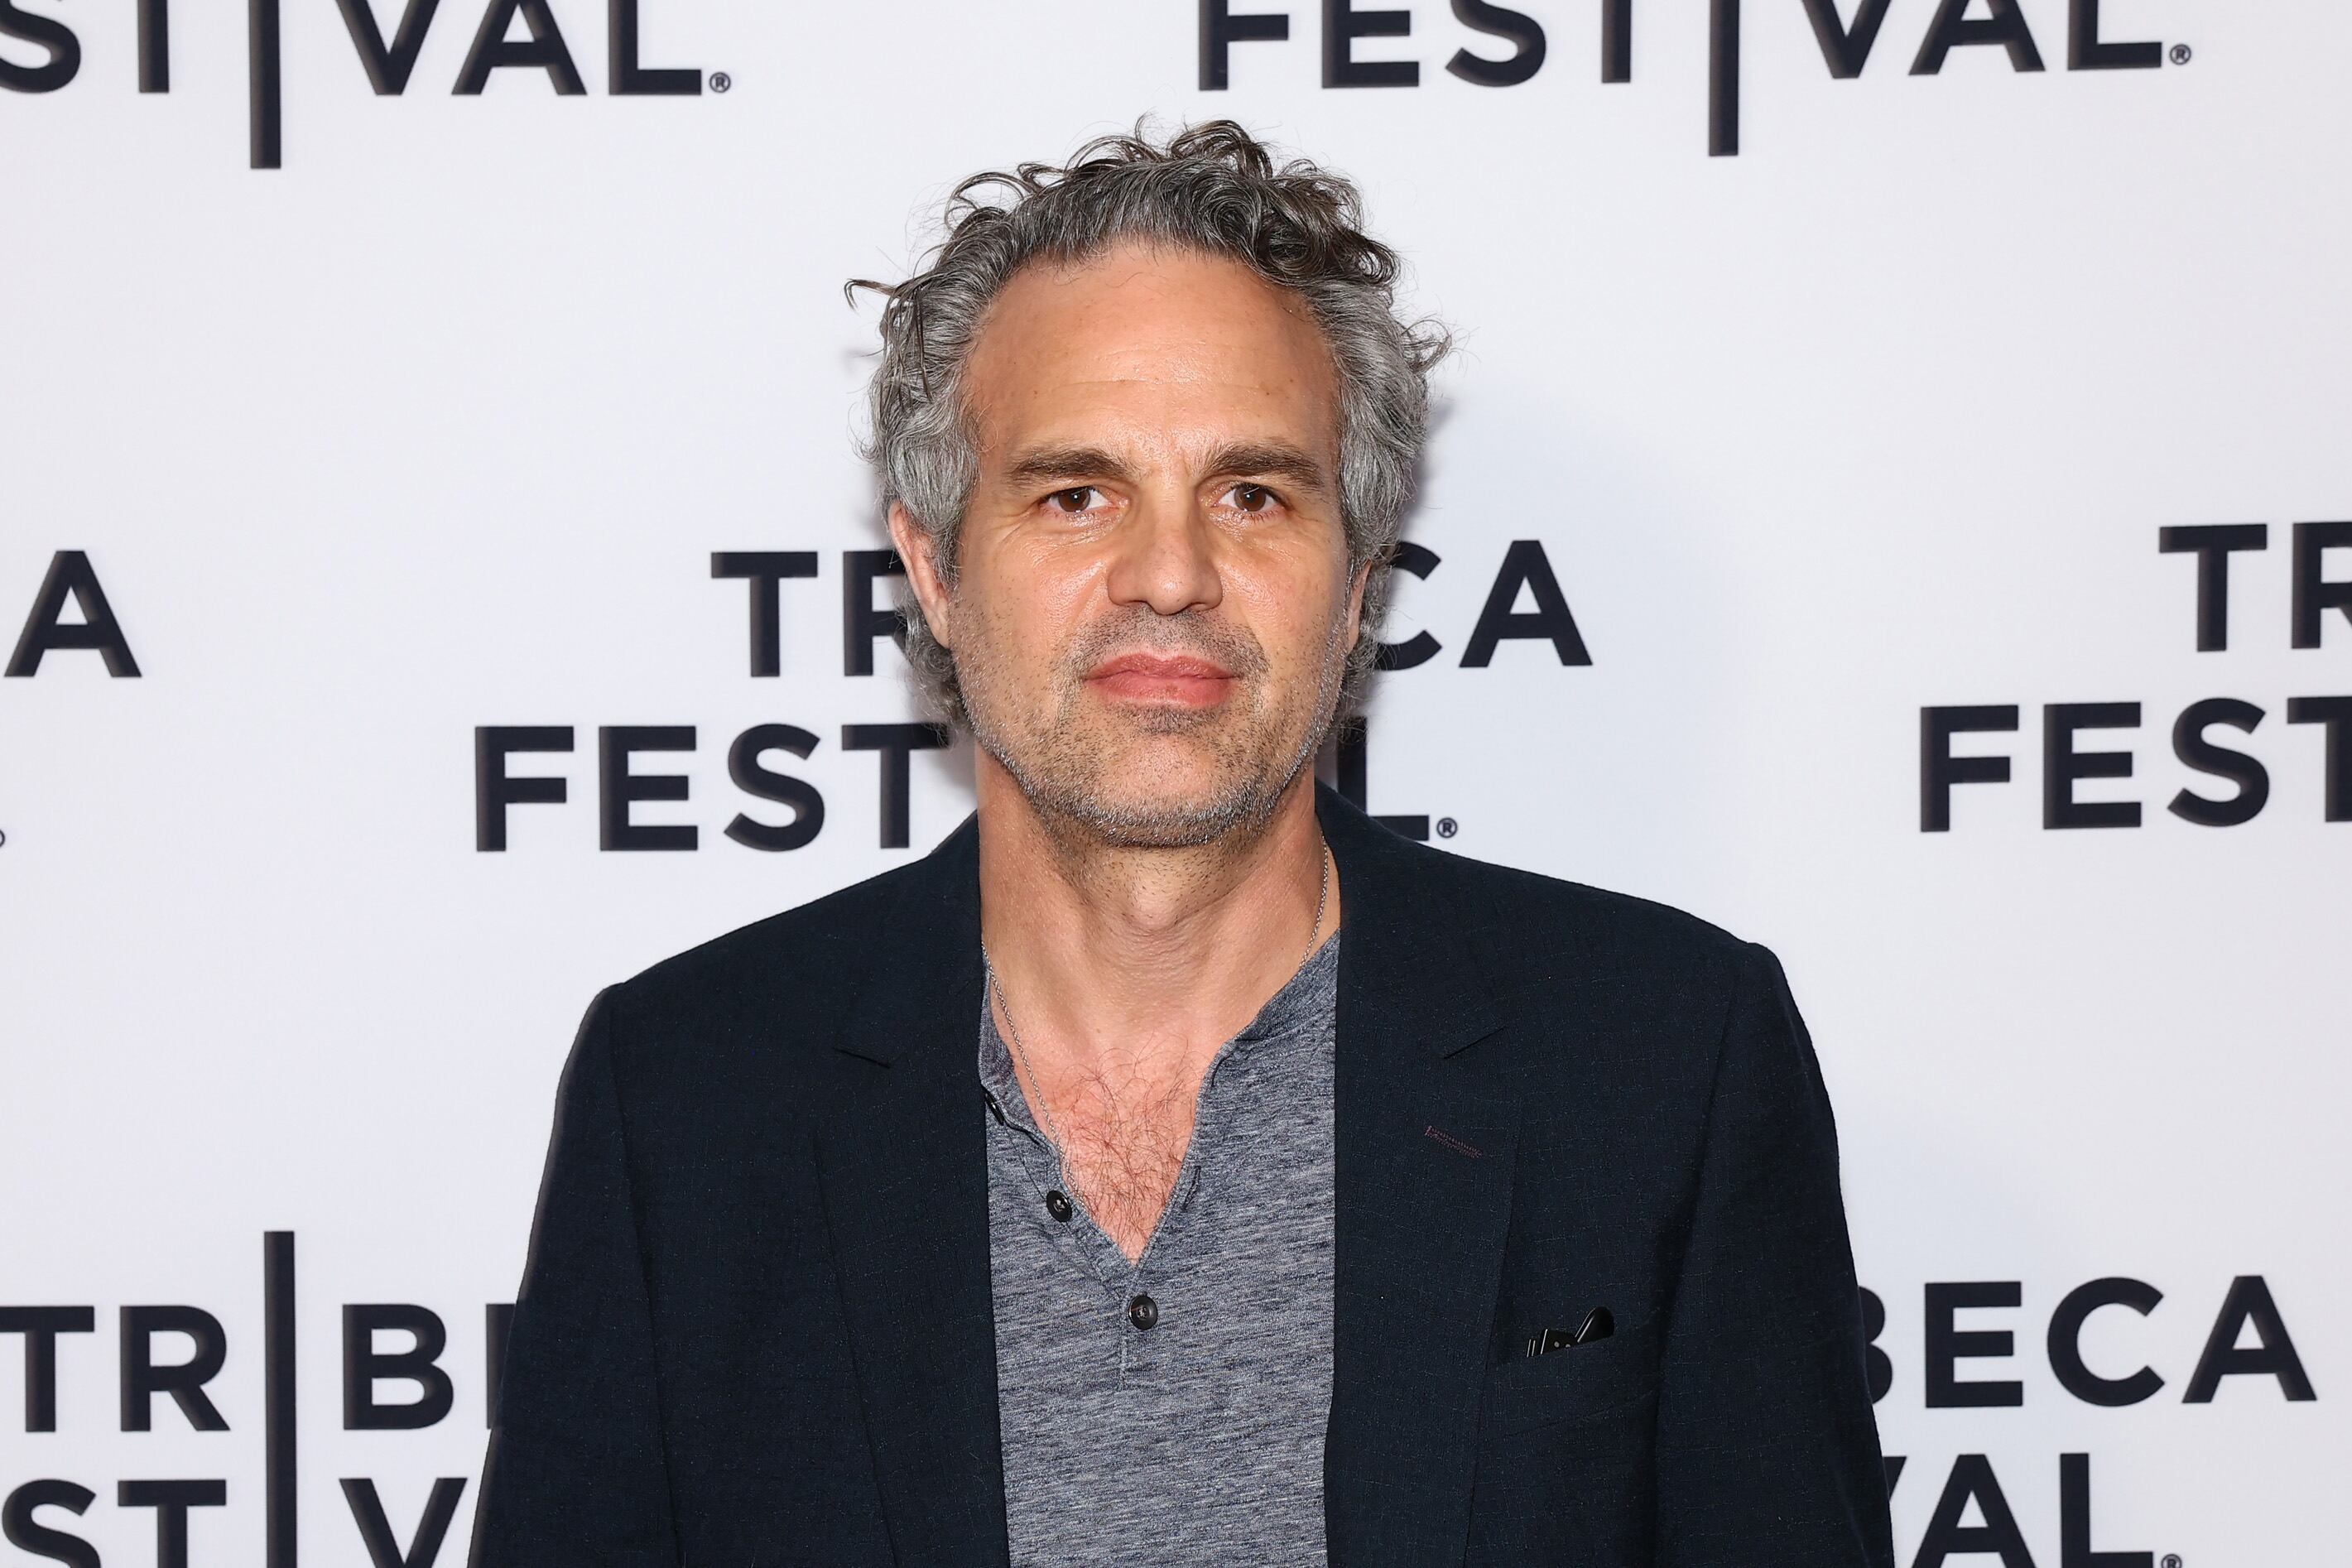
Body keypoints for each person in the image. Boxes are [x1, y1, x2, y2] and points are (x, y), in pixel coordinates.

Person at [469, 121, 1894, 1568]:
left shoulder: (1662, 1055)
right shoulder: (690, 1093)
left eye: (1252, 493)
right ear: (936, 569)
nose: (1169, 575)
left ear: (1354, 579)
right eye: (1075, 492)